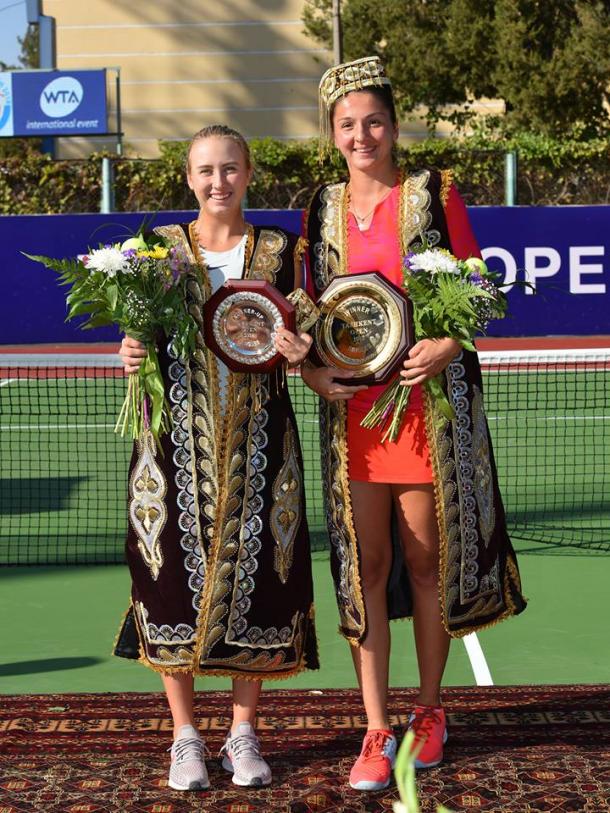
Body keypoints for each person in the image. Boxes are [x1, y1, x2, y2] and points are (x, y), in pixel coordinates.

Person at [300, 57, 526, 792]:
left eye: (373, 121)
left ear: (394, 127)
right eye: (347, 125)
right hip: (356, 420)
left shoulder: (435, 193)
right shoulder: (316, 208)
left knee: (426, 563)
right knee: (365, 572)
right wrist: (311, 372)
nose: (361, 134)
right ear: (332, 135)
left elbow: (481, 283)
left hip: (423, 410)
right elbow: (306, 317)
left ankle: (430, 710)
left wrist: (448, 344)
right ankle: (374, 726)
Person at [116, 124, 319, 792]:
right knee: (168, 581)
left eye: (229, 168)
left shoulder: (280, 249)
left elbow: (310, 328)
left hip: (262, 440)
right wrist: (131, 350)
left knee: (260, 580)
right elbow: (136, 333)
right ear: (188, 178)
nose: (217, 182)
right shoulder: (158, 251)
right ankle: (185, 737)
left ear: (249, 170)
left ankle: (242, 731)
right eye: (205, 171)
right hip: (172, 442)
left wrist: (302, 349)